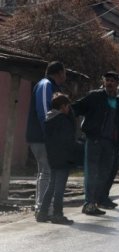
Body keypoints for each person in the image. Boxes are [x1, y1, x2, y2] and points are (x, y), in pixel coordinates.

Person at [72, 71, 119, 215]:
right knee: (92, 172)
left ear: (117, 84)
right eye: (107, 80)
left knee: (104, 173)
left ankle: (99, 200)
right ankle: (89, 203)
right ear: (103, 82)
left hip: (110, 143)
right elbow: (77, 107)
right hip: (94, 139)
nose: (109, 83)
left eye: (112, 80)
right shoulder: (95, 96)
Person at [26, 61, 67, 213]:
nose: (65, 75)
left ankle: (41, 206)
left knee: (45, 171)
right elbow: (44, 111)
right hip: (42, 138)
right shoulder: (45, 85)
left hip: (43, 137)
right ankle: (44, 208)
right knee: (48, 172)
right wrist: (50, 134)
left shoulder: (53, 86)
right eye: (64, 71)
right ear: (59, 73)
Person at [35, 93, 77, 225]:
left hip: (52, 157)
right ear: (63, 107)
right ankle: (57, 214)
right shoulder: (63, 121)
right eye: (68, 106)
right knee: (59, 188)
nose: (69, 109)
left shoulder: (49, 119)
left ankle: (42, 213)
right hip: (63, 158)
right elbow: (68, 141)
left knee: (51, 186)